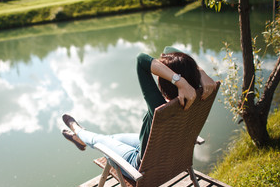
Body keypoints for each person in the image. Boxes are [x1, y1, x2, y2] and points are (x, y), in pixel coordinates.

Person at [62, 46, 217, 179]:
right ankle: (79, 139)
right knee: (111, 138)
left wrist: (178, 80)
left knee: (97, 140)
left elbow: (141, 59)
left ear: (164, 84)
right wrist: (200, 72)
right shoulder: (200, 97)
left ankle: (78, 131)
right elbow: (169, 50)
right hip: (170, 157)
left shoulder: (158, 106)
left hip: (140, 167)